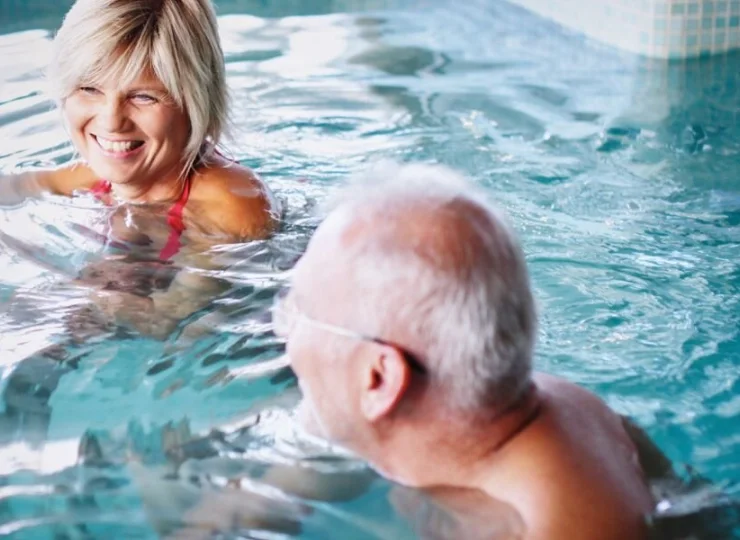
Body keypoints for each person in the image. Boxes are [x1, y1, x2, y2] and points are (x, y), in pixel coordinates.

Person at [272, 162, 659, 539]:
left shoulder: (543, 526)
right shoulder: (567, 407)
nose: (282, 329)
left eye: (298, 311)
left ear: (379, 379)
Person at [0, 0, 279, 338]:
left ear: (195, 102)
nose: (111, 121)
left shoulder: (231, 202)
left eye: (144, 97)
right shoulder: (94, 177)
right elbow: (17, 187)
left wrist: (67, 292)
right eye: (89, 89)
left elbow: (169, 319)